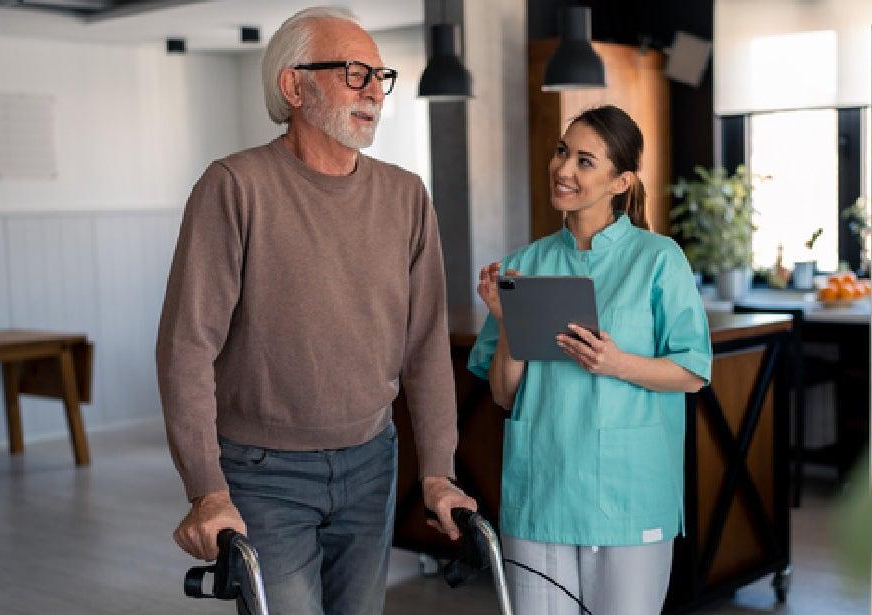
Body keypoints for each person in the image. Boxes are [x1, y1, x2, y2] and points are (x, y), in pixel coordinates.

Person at [155, 7, 475, 614]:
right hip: (263, 474)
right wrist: (206, 489)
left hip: (372, 460)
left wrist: (438, 470)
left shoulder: (406, 195)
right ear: (293, 85)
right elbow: (186, 347)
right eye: (355, 73)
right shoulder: (234, 187)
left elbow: (426, 346)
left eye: (381, 76)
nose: (375, 92)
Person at [468, 105, 713, 615]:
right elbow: (503, 394)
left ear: (621, 180)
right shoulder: (524, 264)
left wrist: (617, 363)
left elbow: (692, 373)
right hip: (543, 491)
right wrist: (509, 321)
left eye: (584, 160)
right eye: (562, 152)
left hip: (629, 493)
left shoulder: (658, 258)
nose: (563, 170)